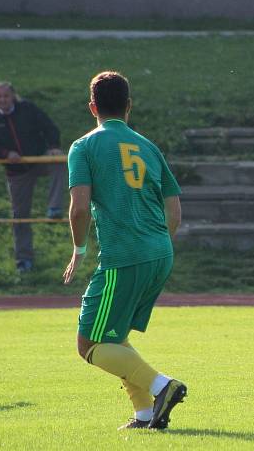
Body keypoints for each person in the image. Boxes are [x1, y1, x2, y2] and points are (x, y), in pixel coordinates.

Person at [63, 71, 187, 429]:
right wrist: (159, 245)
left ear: (92, 107)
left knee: (89, 344)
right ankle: (146, 413)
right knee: (114, 336)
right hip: (159, 251)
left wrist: (79, 248)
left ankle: (163, 386)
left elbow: (80, 208)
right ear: (129, 106)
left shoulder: (84, 147)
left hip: (125, 256)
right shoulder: (148, 146)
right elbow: (174, 208)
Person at [0, 81, 67, 273]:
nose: (2, 100)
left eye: (6, 96)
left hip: (38, 159)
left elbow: (49, 126)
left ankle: (54, 207)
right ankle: (24, 260)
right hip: (17, 171)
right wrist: (5, 153)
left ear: (13, 96)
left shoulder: (28, 109)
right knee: (20, 217)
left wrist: (53, 146)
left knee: (61, 161)